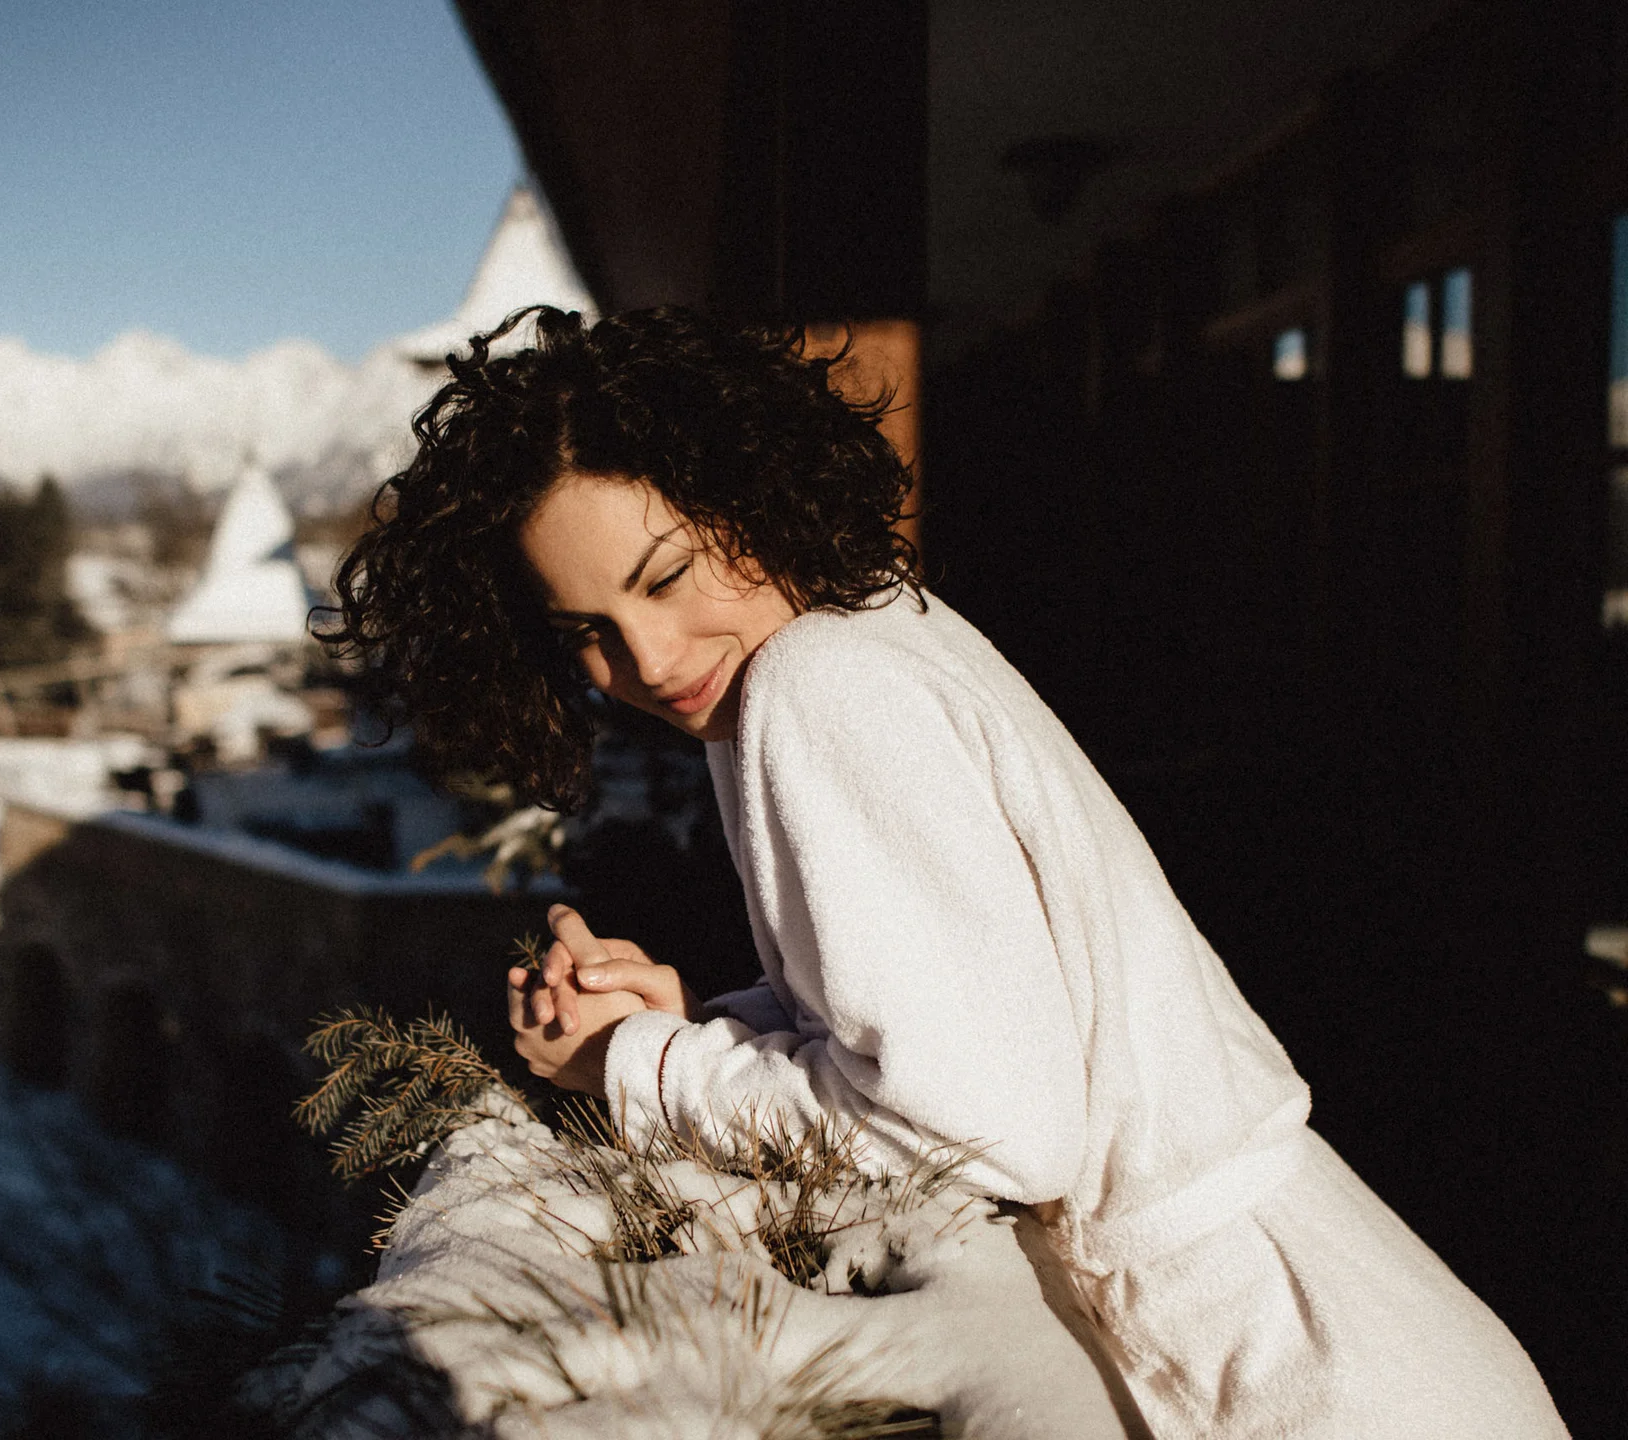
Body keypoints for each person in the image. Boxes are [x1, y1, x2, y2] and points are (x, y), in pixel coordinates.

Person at [323, 305, 1567, 1439]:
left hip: (1290, 1368)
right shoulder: (871, 634)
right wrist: (695, 1025)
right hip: (1331, 1307)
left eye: (666, 577)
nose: (645, 658)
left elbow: (982, 1130)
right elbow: (959, 1027)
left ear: (744, 495)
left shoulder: (821, 683)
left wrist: (636, 1069)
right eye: (585, 633)